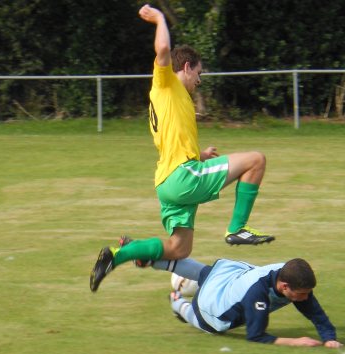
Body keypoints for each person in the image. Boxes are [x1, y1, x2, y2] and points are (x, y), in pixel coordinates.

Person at [90, 5, 273, 292]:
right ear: (186, 68)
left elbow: (170, 141)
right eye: (199, 73)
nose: (200, 80)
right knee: (256, 160)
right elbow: (163, 49)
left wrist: (199, 155)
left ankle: (121, 253)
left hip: (166, 181)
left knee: (179, 249)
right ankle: (237, 229)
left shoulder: (177, 101)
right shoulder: (166, 84)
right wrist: (160, 18)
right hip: (181, 176)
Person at [169, 257, 343, 347]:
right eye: (302, 294)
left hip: (227, 279)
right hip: (211, 308)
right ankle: (177, 302)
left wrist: (329, 338)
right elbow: (255, 336)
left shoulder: (291, 277)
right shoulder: (257, 293)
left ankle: (186, 281)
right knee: (211, 327)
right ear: (284, 286)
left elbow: (315, 312)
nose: (306, 297)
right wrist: (295, 341)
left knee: (206, 273)